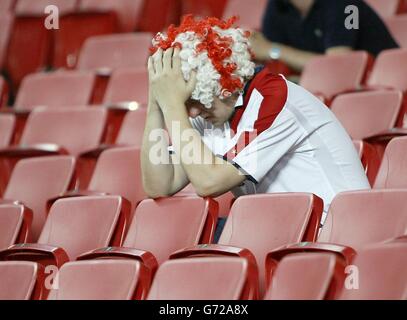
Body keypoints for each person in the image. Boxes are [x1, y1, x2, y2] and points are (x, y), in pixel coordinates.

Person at [141, 16, 370, 241]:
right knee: (180, 232)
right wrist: (156, 104)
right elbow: (160, 185)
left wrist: (172, 105)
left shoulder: (274, 99)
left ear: (223, 83)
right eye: (185, 104)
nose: (192, 113)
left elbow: (209, 182)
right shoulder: (208, 109)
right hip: (279, 231)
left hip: (334, 230)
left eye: (195, 101)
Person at [250, 0, 399, 71]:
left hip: (384, 81)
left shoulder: (347, 5)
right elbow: (267, 58)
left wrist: (273, 50)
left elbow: (337, 67)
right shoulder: (277, 7)